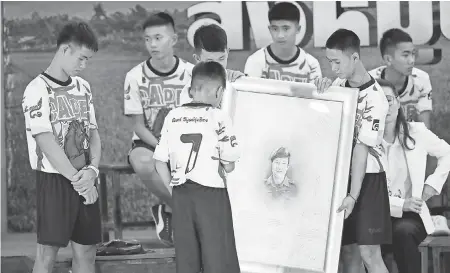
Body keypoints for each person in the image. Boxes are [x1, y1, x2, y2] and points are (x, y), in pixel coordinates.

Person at [22, 22, 101, 273]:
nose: (84, 66)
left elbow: (93, 133)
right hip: (55, 180)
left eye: (88, 60)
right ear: (65, 50)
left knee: (87, 251)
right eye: (81, 58)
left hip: (86, 177)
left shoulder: (83, 87)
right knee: (47, 253)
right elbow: (44, 140)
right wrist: (78, 180)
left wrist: (92, 172)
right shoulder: (37, 89)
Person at [315, 29, 391, 273]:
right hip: (341, 178)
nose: (333, 68)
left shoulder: (376, 98)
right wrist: (322, 90)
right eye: (330, 62)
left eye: (337, 62)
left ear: (355, 58)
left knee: (369, 253)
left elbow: (361, 150)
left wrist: (353, 195)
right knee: (348, 251)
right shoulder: (338, 86)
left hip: (368, 181)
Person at [153, 61, 241, 273]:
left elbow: (158, 162)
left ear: (192, 89)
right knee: (218, 255)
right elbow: (229, 164)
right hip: (212, 194)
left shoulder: (172, 116)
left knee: (187, 257)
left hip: (182, 195)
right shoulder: (219, 116)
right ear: (220, 91)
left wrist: (172, 190)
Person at [123, 12, 193, 246]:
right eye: (147, 39)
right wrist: (163, 147)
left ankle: (168, 212)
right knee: (143, 162)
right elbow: (138, 126)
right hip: (148, 141)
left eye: (158, 38)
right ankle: (184, 212)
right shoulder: (134, 76)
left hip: (186, 140)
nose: (152, 44)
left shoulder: (191, 74)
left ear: (174, 39)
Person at [377, 79, 450, 273]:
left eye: (389, 100)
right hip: (376, 214)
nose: (385, 106)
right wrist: (401, 204)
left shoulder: (416, 131)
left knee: (404, 232)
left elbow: (447, 153)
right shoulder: (365, 140)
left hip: (411, 216)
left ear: (398, 102)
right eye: (378, 101)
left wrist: (432, 184)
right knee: (369, 238)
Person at [369, 28, 433, 128]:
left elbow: (425, 129)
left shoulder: (421, 79)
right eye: (406, 55)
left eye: (413, 54)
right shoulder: (369, 83)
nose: (412, 60)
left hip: (409, 138)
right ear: (388, 59)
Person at [244, 2, 322, 83]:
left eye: (286, 29)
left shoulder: (312, 64)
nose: (280, 35)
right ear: (269, 29)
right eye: (275, 29)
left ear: (298, 29)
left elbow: (315, 95)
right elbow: (250, 95)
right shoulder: (255, 61)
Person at [180, 23, 244, 106]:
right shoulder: (189, 92)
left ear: (227, 52)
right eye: (210, 61)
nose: (218, 66)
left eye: (221, 58)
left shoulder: (235, 80)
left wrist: (243, 82)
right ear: (197, 59)